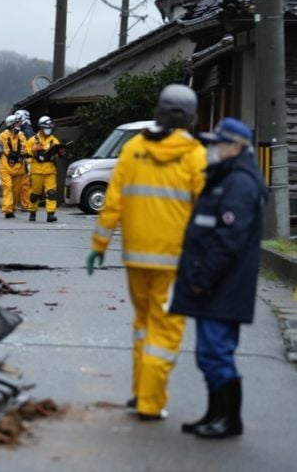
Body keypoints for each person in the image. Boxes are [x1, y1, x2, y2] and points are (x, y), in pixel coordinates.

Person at [86, 83, 207, 421]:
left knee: (142, 324)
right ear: (191, 118)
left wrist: (99, 246)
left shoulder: (135, 148)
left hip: (136, 257)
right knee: (164, 331)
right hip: (175, 260)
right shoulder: (195, 154)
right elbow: (205, 210)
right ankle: (150, 403)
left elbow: (112, 203)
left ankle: (140, 391)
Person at [169, 117, 266, 439]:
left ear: (235, 147)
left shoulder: (240, 183)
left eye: (216, 143)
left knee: (216, 352)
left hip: (222, 284)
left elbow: (229, 239)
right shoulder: (226, 175)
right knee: (208, 353)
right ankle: (214, 414)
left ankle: (229, 420)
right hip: (214, 283)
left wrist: (203, 278)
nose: (210, 148)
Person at [24, 116, 64, 222]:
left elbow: (58, 155)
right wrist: (33, 150)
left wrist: (61, 153)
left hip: (50, 171)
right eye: (46, 128)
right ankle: (32, 212)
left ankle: (50, 214)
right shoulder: (33, 140)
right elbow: (24, 153)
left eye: (50, 128)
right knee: (34, 194)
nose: (48, 130)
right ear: (41, 128)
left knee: (51, 193)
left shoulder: (54, 141)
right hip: (36, 171)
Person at [0, 114, 27, 218]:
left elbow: (26, 150)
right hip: (5, 167)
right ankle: (7, 210)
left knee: (16, 190)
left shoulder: (22, 136)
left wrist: (27, 160)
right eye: (17, 123)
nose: (19, 124)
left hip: (19, 167)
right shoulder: (3, 136)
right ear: (11, 125)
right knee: (8, 187)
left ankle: (12, 207)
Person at [15, 109, 35, 211]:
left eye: (17, 120)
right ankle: (26, 204)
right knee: (25, 184)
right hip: (27, 160)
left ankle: (27, 204)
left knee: (26, 184)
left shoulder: (26, 131)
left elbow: (28, 147)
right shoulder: (28, 129)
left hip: (27, 161)